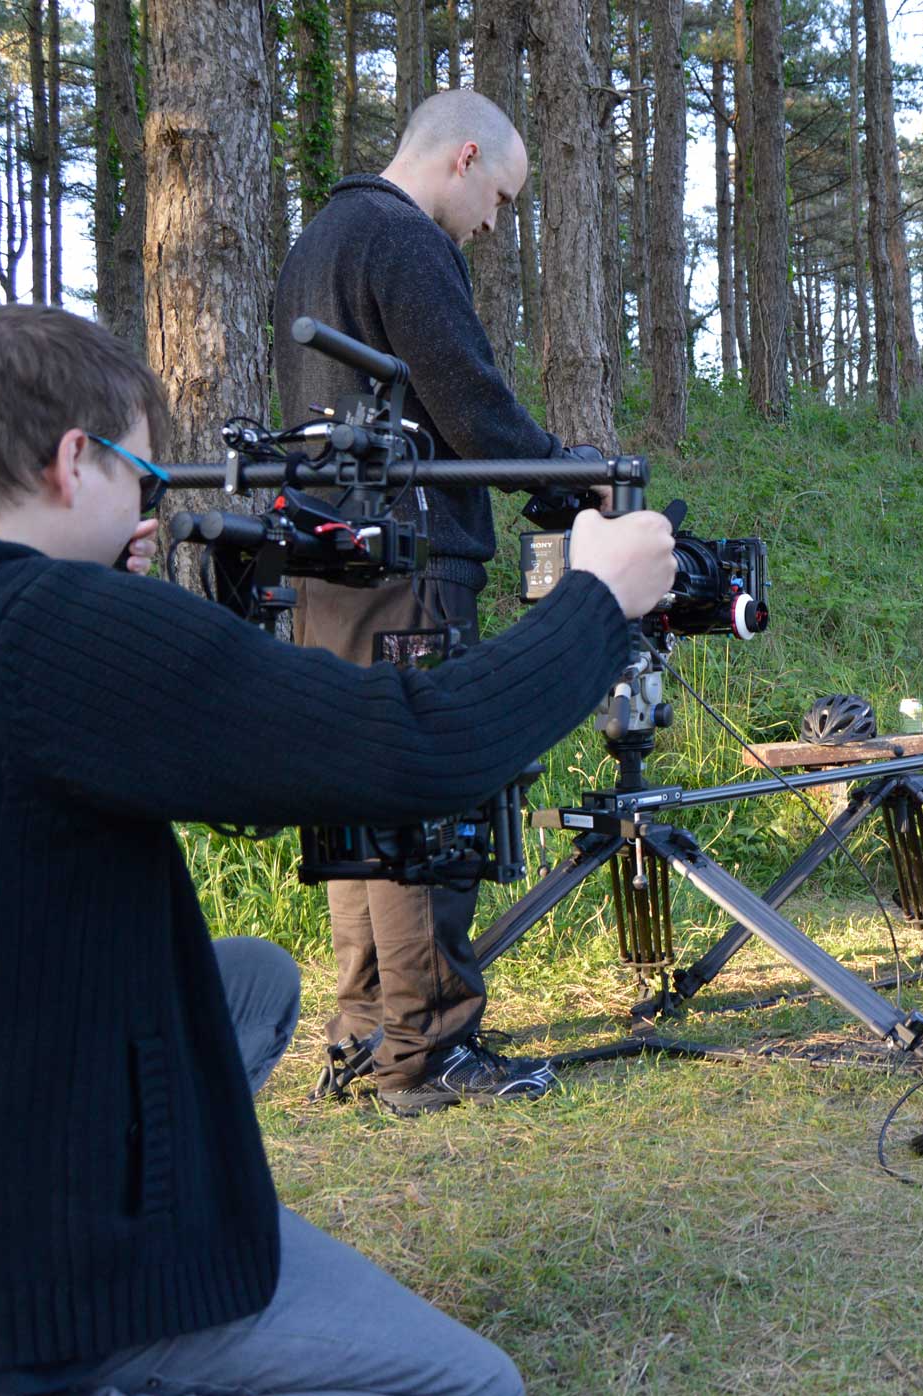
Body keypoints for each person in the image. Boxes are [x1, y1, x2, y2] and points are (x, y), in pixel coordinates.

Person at [0, 304, 676, 1394]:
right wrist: (599, 600)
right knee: (471, 1384)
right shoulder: (45, 629)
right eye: (147, 479)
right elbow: (422, 745)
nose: (149, 509)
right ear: (75, 460)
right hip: (14, 1291)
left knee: (252, 982)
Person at [272, 88, 592, 1115]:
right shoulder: (403, 241)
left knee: (357, 788)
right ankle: (432, 1046)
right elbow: (467, 399)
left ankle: (365, 1028)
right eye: (499, 196)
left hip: (326, 564)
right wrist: (569, 480)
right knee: (424, 790)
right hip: (406, 563)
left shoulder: (318, 236)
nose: (495, 224)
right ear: (463, 159)